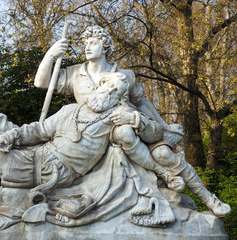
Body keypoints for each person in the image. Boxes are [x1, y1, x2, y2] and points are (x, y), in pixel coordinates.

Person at [31, 25, 230, 217]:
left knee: (159, 150)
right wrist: (51, 54)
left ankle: (208, 199)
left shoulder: (125, 75)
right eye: (85, 43)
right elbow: (41, 82)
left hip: (125, 125)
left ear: (105, 46)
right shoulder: (75, 72)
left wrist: (163, 126)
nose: (87, 47)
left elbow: (142, 103)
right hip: (87, 135)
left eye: (92, 42)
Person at [0, 74, 167, 205]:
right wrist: (13, 135)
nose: (108, 92)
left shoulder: (118, 115)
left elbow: (155, 134)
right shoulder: (70, 110)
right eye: (106, 86)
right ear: (98, 86)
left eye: (115, 91)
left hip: (50, 170)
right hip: (37, 153)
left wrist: (137, 120)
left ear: (120, 97)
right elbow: (39, 130)